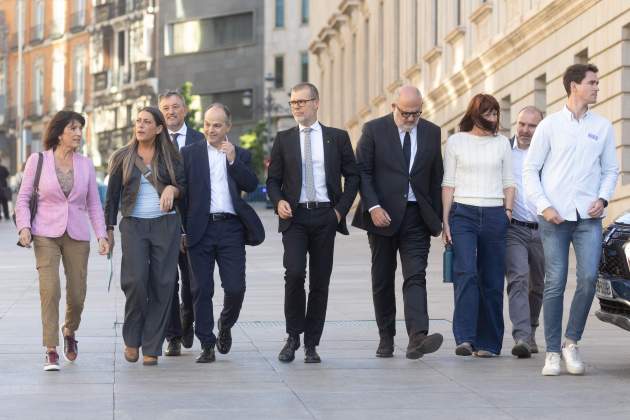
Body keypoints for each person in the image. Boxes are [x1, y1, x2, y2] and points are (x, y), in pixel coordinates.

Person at [523, 63, 619, 376]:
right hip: (554, 217)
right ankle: (551, 351)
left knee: (589, 278)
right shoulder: (549, 126)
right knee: (554, 282)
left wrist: (603, 198)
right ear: (574, 86)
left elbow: (611, 170)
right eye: (592, 82)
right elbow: (530, 170)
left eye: (597, 82)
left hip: (588, 218)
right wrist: (543, 205)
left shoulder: (602, 127)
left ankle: (570, 342)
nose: (597, 87)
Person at [267, 82, 359, 363]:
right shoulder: (283, 139)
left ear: (316, 103)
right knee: (294, 274)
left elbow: (353, 176)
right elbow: (273, 180)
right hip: (294, 217)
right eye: (293, 102)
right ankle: (293, 336)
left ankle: (311, 343)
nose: (296, 107)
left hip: (325, 216)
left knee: (320, 281)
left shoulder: (337, 137)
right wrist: (278, 200)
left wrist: (339, 211)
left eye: (302, 102)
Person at [352, 85, 444, 359]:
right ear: (394, 107)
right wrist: (373, 207)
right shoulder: (373, 130)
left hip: (417, 217)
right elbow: (362, 172)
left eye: (416, 113)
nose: (411, 119)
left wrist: (439, 219)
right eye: (405, 113)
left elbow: (436, 176)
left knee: (415, 275)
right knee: (382, 277)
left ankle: (418, 337)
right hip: (382, 216)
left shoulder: (431, 131)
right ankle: (386, 337)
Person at [15, 110, 110, 371]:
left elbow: (93, 203)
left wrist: (101, 234)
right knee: (50, 289)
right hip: (45, 232)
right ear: (59, 133)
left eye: (80, 128)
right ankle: (51, 348)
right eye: (73, 128)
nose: (79, 133)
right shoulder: (38, 161)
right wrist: (24, 226)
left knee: (78, 293)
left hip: (77, 235)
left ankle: (69, 329)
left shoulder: (86, 164)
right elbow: (23, 198)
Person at [181, 103, 264, 363]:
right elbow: (183, 195)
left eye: (217, 125)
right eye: (207, 124)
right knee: (201, 289)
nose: (210, 129)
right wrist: (183, 230)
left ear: (228, 127)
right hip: (200, 229)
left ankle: (225, 324)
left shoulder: (240, 154)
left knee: (235, 287)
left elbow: (251, 184)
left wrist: (233, 161)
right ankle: (206, 342)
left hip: (230, 229)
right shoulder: (189, 153)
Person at [104, 107, 185, 366]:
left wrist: (172, 188)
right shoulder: (122, 157)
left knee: (163, 284)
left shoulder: (171, 155)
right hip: (133, 225)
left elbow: (184, 187)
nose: (140, 126)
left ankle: (152, 345)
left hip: (166, 225)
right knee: (136, 281)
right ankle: (132, 338)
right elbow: (112, 197)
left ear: (159, 128)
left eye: (147, 122)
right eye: (138, 121)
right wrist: (108, 229)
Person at [442, 93, 515, 358]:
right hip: (463, 213)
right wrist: (446, 220)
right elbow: (448, 182)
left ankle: (489, 343)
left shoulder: (502, 144)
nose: (493, 118)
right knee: (466, 273)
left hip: (495, 212)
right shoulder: (456, 141)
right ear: (475, 114)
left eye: (496, 113)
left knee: (492, 279)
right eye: (488, 113)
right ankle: (465, 338)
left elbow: (509, 181)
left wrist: (507, 211)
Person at [158, 90, 205, 356]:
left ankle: (188, 319)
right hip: (162, 225)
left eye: (175, 106)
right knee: (167, 283)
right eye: (165, 108)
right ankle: (173, 336)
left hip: (194, 225)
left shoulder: (200, 140)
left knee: (193, 284)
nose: (171, 112)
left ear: (185, 110)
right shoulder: (153, 141)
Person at [505, 106, 545, 359]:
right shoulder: (503, 151)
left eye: (531, 126)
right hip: (513, 228)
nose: (525, 130)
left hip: (543, 229)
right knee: (518, 278)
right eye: (521, 124)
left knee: (538, 285)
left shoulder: (548, 154)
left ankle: (530, 329)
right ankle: (521, 336)